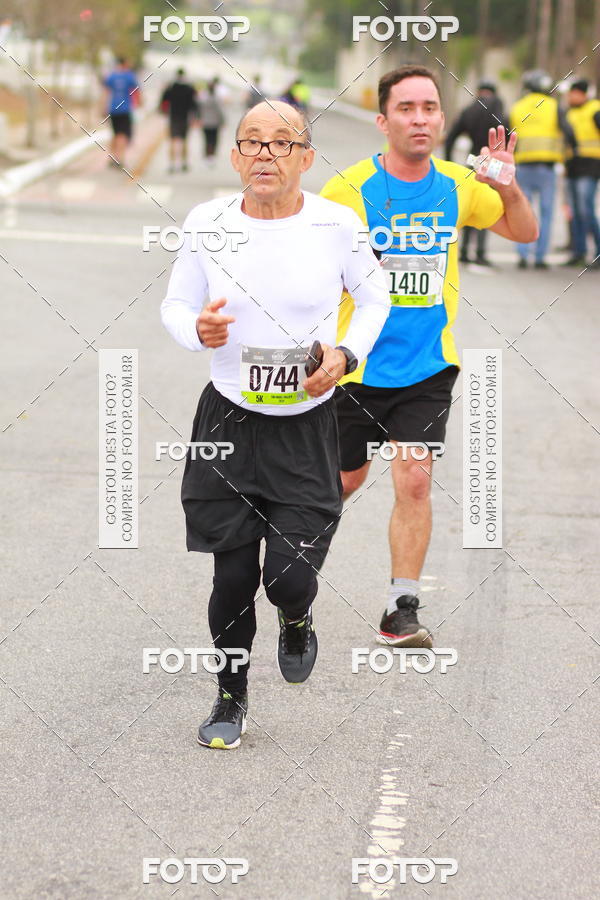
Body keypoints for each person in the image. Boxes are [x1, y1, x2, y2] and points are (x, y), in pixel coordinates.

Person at [161, 100, 390, 749]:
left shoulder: (335, 224)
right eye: (252, 142)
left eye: (281, 142)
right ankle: (230, 699)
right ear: (235, 157)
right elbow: (176, 304)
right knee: (230, 577)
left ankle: (296, 614)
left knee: (286, 576)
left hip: (308, 424)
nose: (265, 153)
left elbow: (377, 297)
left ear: (305, 158)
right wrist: (193, 330)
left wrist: (347, 355)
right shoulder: (208, 223)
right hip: (226, 420)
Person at [320, 65, 538, 649]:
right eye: (407, 108)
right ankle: (294, 582)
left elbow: (525, 232)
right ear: (383, 119)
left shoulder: (458, 185)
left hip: (428, 365)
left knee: (414, 480)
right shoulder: (347, 191)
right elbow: (312, 271)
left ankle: (401, 609)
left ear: (442, 119)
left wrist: (508, 185)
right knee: (341, 482)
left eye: (429, 108)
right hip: (358, 365)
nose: (419, 118)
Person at [509, 69, 576, 269]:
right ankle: (539, 258)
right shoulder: (555, 106)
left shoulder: (517, 107)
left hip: (522, 167)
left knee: (522, 211)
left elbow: (506, 132)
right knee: (546, 213)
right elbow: (569, 132)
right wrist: (571, 154)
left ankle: (522, 254)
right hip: (547, 168)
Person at [445, 80, 508, 265]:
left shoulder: (470, 109)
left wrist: (449, 163)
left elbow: (451, 138)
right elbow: (509, 133)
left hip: (473, 159)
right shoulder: (498, 106)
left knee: (469, 205)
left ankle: (464, 251)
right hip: (493, 160)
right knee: (487, 204)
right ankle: (480, 252)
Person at [563, 79, 600, 268]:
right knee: (576, 213)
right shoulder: (570, 113)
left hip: (591, 167)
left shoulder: (595, 110)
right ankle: (579, 253)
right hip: (573, 168)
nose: (570, 97)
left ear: (582, 93)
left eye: (573, 93)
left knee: (586, 211)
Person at [103, 58, 140, 167]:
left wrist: (103, 107)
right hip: (125, 109)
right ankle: (120, 158)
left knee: (115, 134)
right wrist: (139, 103)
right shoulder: (129, 76)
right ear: (125, 64)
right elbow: (137, 90)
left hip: (113, 109)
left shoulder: (111, 76)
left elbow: (105, 92)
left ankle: (112, 157)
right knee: (123, 135)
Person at [159, 68, 198, 174]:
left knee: (172, 140)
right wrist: (195, 117)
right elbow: (194, 104)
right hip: (185, 117)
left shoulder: (171, 87)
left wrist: (163, 112)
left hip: (173, 116)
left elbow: (163, 101)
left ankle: (171, 164)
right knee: (185, 140)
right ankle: (184, 163)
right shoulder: (189, 88)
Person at [197, 79, 225, 164]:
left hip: (205, 122)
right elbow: (220, 111)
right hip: (215, 122)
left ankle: (206, 155)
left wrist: (199, 119)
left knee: (206, 139)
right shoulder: (217, 98)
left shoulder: (202, 98)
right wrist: (223, 120)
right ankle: (212, 156)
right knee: (214, 139)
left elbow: (199, 110)